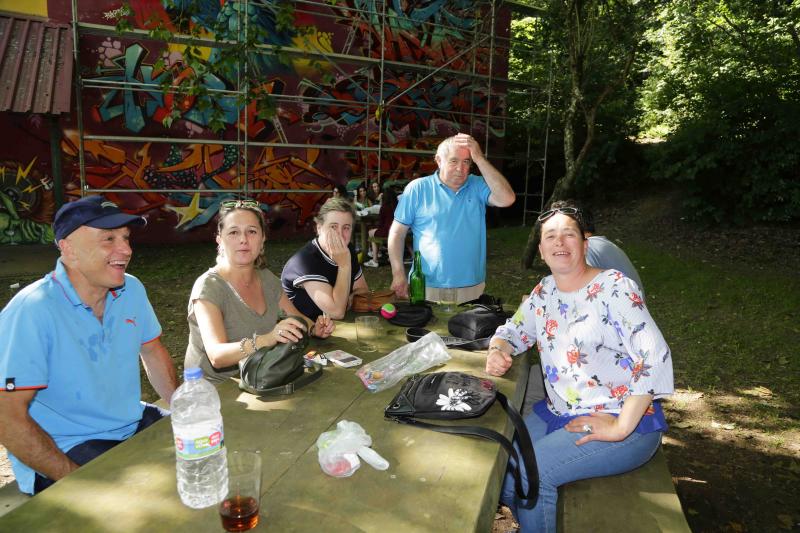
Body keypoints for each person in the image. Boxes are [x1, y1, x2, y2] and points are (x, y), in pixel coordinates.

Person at [485, 204, 673, 532]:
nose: (560, 242)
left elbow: (653, 355)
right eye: (551, 236)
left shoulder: (614, 287)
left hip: (623, 421)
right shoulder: (544, 292)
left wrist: (619, 426)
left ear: (585, 243)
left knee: (533, 473)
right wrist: (499, 349)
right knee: (501, 463)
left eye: (568, 234)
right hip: (558, 413)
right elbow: (514, 330)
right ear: (541, 250)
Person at [0, 195, 178, 495]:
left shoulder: (131, 289)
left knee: (206, 449)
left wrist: (180, 407)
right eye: (108, 238)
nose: (125, 249)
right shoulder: (33, 310)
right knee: (144, 501)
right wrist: (78, 481)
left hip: (130, 422)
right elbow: (7, 416)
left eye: (126, 238)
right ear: (67, 249)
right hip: (68, 445)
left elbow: (152, 350)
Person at [185, 199, 335, 384]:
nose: (243, 239)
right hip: (214, 392)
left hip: (263, 378)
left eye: (252, 231)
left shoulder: (267, 279)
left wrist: (314, 328)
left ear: (262, 238)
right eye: (233, 232)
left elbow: (296, 317)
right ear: (220, 240)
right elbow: (217, 355)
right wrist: (267, 339)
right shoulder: (208, 287)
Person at [388, 133, 515, 303]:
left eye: (466, 162)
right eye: (454, 161)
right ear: (439, 161)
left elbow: (507, 199)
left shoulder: (477, 185)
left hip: (472, 287)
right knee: (427, 329)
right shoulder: (418, 188)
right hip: (427, 287)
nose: (461, 169)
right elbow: (397, 234)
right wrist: (398, 273)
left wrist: (480, 159)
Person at [282, 197, 370, 320]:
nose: (340, 234)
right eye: (333, 227)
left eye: (346, 227)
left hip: (333, 330)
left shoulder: (347, 249)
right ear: (319, 228)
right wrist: (344, 266)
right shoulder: (305, 261)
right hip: (303, 332)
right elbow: (337, 312)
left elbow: (363, 290)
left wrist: (350, 298)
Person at [364, 187, 398, 268]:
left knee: (370, 233)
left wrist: (376, 229)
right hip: (396, 231)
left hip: (387, 231)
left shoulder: (384, 208)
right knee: (375, 232)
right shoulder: (397, 206)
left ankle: (375, 259)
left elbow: (381, 224)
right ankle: (379, 253)